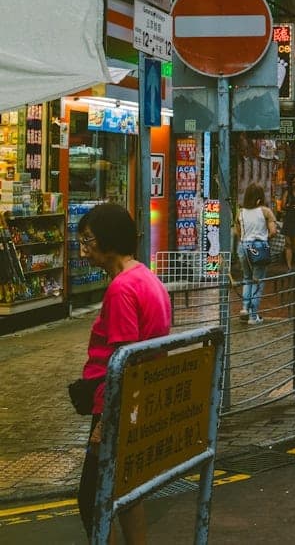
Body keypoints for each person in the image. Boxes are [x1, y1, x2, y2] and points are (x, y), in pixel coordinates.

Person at [75, 203, 172, 544]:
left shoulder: (121, 289)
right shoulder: (145, 276)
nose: (83, 251)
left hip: (116, 406)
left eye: (88, 241)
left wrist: (104, 423)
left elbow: (123, 359)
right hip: (140, 400)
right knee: (127, 491)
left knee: (92, 499)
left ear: (109, 241)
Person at [236, 183, 278, 323]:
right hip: (259, 247)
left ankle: (245, 308)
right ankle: (253, 316)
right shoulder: (265, 211)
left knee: (247, 278)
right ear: (259, 198)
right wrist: (264, 237)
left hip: (243, 247)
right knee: (257, 281)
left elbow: (238, 232)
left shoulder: (240, 212)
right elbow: (273, 231)